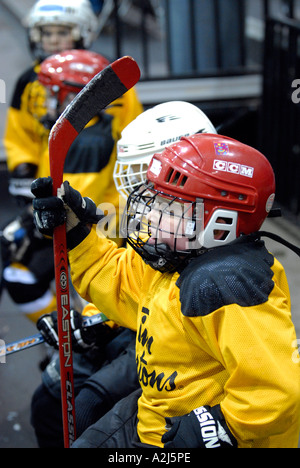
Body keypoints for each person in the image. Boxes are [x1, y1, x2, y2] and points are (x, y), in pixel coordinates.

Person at [31, 132, 300, 448]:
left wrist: (221, 429)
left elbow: (277, 391)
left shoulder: (227, 282)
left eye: (170, 210)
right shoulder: (177, 257)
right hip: (156, 413)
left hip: (184, 432)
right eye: (156, 203)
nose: (151, 216)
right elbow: (120, 284)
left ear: (220, 223)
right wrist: (78, 236)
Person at [30, 101, 218, 447]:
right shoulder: (165, 231)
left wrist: (222, 428)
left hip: (176, 369)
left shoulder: (224, 263)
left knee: (82, 407)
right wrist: (92, 320)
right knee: (48, 403)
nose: (142, 198)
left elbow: (272, 388)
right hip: (143, 342)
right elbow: (128, 283)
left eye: (154, 177)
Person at [1, 48, 142, 323]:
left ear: (74, 95)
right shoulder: (87, 129)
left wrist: (25, 226)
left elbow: (69, 208)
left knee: (17, 276)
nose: (45, 101)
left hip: (98, 235)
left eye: (53, 93)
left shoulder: (85, 142)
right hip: (96, 226)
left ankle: (70, 339)